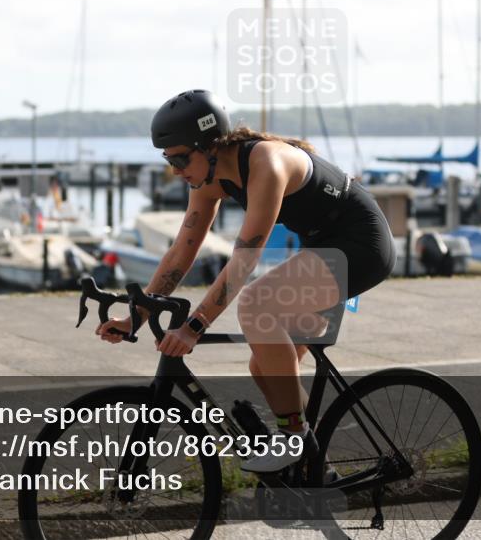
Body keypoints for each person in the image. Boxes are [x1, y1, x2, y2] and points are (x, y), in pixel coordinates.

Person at [96, 89, 396, 473]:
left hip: (361, 246)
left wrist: (195, 326)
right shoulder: (206, 180)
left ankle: (294, 438)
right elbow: (180, 253)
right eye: (168, 160)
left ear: (209, 146)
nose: (175, 170)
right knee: (265, 365)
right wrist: (135, 316)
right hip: (321, 245)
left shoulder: (266, 164)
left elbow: (245, 258)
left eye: (180, 158)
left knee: (257, 304)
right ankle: (314, 468)